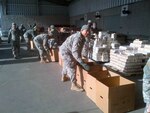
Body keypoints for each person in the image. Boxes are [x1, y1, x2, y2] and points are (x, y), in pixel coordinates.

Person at [59, 25, 90, 92]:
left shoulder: (82, 37)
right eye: (86, 31)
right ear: (82, 30)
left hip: (66, 50)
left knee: (66, 64)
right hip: (66, 52)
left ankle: (63, 77)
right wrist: (81, 62)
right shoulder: (78, 38)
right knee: (72, 67)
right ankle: (74, 85)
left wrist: (82, 57)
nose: (88, 32)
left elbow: (80, 48)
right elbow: (75, 52)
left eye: (88, 31)